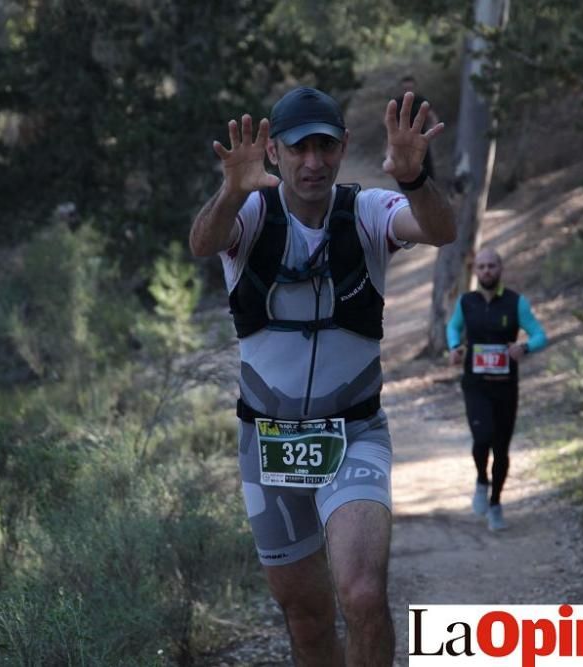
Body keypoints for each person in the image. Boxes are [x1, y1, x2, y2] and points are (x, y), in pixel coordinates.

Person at [189, 86, 454, 665]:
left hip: (354, 434)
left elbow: (439, 230)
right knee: (306, 621)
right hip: (268, 443)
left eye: (325, 147)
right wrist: (231, 190)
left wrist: (414, 179)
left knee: (361, 594)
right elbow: (203, 243)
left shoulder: (367, 210)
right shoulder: (252, 213)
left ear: (343, 148)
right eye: (299, 148)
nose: (313, 162)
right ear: (275, 154)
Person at [446, 248, 547, 531]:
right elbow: (452, 329)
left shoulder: (516, 303)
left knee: (501, 448)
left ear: (500, 269)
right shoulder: (466, 302)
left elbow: (540, 335)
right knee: (482, 437)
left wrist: (524, 347)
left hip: (505, 387)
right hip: (475, 385)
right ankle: (481, 480)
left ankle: (496, 503)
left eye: (491, 266)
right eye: (481, 267)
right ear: (475, 271)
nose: (486, 271)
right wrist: (454, 348)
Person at [394, 75, 440, 179]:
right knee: (406, 171)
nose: (408, 91)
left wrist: (432, 131)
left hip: (421, 139)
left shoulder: (421, 101)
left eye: (410, 88)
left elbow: (433, 117)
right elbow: (388, 120)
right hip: (404, 141)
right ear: (402, 89)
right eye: (405, 89)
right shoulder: (397, 102)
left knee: (427, 168)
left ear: (414, 88)